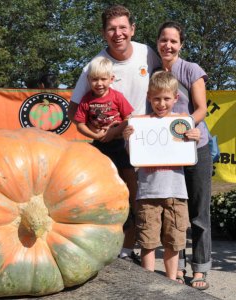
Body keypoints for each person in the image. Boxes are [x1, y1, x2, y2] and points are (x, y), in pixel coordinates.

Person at [68, 4, 161, 261]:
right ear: (103, 33)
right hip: (109, 143)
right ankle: (121, 248)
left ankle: (145, 248)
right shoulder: (94, 67)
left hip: (145, 138)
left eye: (122, 27)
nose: (117, 33)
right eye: (111, 29)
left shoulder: (148, 54)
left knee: (144, 198)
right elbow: (74, 109)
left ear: (132, 29)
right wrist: (97, 130)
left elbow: (165, 84)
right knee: (111, 196)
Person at [123, 71, 200, 281]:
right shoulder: (140, 124)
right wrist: (129, 139)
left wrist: (195, 135)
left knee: (174, 241)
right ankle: (149, 284)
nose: (161, 103)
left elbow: (191, 150)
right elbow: (134, 156)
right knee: (147, 241)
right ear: (149, 97)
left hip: (176, 192)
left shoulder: (183, 124)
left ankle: (171, 280)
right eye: (156, 98)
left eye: (166, 98)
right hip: (148, 193)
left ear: (176, 98)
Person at [157, 21, 212, 289]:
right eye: (163, 40)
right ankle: (176, 266)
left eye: (173, 41)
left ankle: (200, 268)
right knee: (173, 212)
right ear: (157, 43)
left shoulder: (191, 70)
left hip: (196, 148)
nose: (168, 45)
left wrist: (188, 127)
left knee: (199, 213)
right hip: (168, 153)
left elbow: (201, 108)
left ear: (181, 45)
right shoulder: (154, 73)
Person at [74, 56, 135, 197]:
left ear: (111, 79)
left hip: (120, 143)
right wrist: (95, 136)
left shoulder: (117, 97)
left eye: (103, 79)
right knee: (102, 177)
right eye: (95, 79)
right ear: (88, 80)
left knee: (130, 176)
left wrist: (114, 132)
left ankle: (136, 210)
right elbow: (80, 125)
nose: (99, 83)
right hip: (99, 144)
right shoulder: (86, 100)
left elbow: (128, 118)